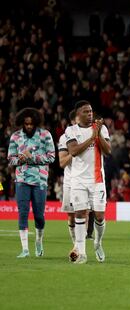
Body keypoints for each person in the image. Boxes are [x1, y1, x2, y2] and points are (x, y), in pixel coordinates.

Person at [65, 100, 111, 264]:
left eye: (91, 111)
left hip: (97, 180)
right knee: (79, 213)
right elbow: (74, 151)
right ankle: (82, 253)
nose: (90, 114)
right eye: (86, 112)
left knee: (99, 215)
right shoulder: (71, 130)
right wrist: (92, 138)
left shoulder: (101, 129)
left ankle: (98, 243)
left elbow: (108, 151)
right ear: (78, 115)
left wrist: (97, 135)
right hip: (78, 180)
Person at [8, 107, 55, 258]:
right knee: (22, 213)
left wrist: (31, 157)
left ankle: (39, 241)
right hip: (21, 179)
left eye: (31, 123)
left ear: (36, 123)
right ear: (21, 123)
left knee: (39, 216)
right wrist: (19, 159)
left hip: (40, 180)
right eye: (26, 123)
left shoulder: (45, 135)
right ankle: (25, 249)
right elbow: (11, 159)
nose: (28, 126)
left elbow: (52, 156)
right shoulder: (15, 137)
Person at [58, 110, 78, 258]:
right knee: (71, 217)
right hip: (70, 181)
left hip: (86, 180)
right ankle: (75, 243)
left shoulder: (89, 136)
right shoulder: (64, 138)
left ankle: (77, 247)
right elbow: (63, 162)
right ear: (72, 122)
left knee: (83, 214)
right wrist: (76, 151)